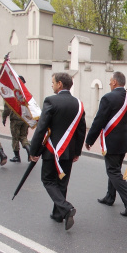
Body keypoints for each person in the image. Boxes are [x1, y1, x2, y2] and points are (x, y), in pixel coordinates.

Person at [29, 72, 86, 231]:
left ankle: (66, 208)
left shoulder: (50, 101)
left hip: (51, 150)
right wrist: (77, 152)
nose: (51, 85)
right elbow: (81, 130)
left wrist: (33, 150)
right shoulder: (78, 104)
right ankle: (58, 214)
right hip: (68, 151)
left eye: (53, 82)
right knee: (62, 183)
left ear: (60, 84)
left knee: (48, 180)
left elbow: (41, 128)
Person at [85, 71, 127, 217]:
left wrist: (90, 139)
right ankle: (110, 197)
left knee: (113, 171)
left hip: (112, 141)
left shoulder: (108, 97)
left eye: (110, 81)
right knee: (115, 168)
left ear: (115, 82)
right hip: (123, 140)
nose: (109, 83)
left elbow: (99, 120)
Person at [2, 75, 31, 163]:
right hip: (25, 119)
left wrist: (4, 117)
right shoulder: (27, 93)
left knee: (15, 137)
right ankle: (29, 152)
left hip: (15, 119)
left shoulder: (12, 93)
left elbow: (7, 107)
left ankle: (17, 156)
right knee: (23, 137)